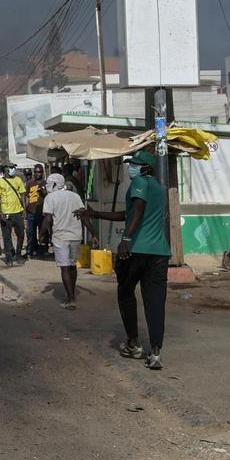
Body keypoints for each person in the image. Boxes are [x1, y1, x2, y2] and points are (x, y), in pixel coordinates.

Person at [76, 151, 170, 370]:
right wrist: (97, 214)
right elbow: (129, 213)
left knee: (125, 292)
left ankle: (134, 344)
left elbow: (136, 209)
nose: (131, 167)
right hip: (159, 253)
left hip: (136, 250)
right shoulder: (159, 188)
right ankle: (155, 353)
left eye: (135, 164)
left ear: (146, 168)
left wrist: (126, 238)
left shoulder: (139, 181)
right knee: (155, 302)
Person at [41, 173, 91, 309]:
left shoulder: (50, 198)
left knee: (64, 267)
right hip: (76, 235)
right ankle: (72, 293)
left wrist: (42, 234)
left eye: (48, 183)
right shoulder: (75, 196)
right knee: (72, 266)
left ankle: (71, 298)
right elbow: (84, 215)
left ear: (55, 184)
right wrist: (94, 234)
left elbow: (48, 219)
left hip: (60, 237)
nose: (46, 186)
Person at [0, 164, 27, 265]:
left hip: (18, 212)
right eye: (9, 170)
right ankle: (9, 258)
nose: (11, 171)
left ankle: (18, 254)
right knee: (7, 237)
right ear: (4, 171)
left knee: (21, 234)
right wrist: (0, 212)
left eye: (12, 169)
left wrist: (24, 209)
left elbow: (23, 195)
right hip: (6, 213)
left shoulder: (18, 180)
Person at [25, 164, 45, 258]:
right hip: (31, 212)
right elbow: (25, 195)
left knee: (42, 232)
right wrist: (25, 208)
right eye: (36, 172)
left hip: (42, 213)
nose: (38, 174)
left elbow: (48, 196)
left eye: (39, 172)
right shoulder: (30, 183)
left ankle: (41, 251)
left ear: (42, 173)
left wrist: (43, 191)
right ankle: (30, 250)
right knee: (30, 233)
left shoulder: (45, 183)